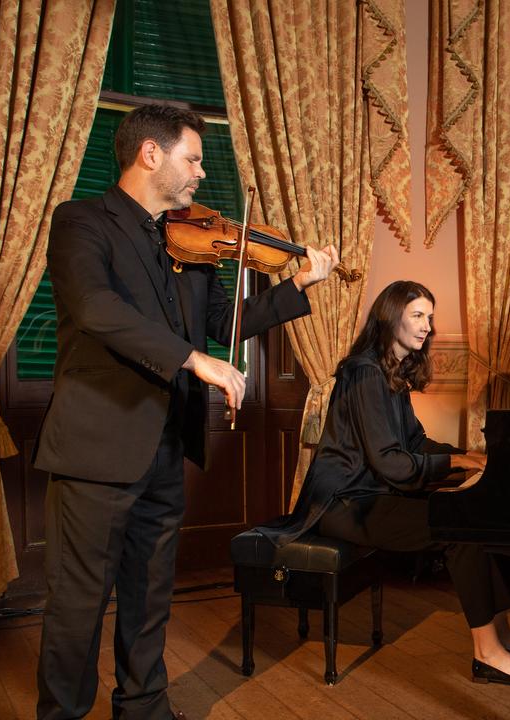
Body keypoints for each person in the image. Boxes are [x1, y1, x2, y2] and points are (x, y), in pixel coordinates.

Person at [33, 103, 340, 720]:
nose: (201, 173)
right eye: (193, 158)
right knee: (78, 604)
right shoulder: (80, 223)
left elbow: (223, 327)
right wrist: (190, 361)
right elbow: (95, 309)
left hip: (167, 447)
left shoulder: (192, 242)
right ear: (151, 154)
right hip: (96, 449)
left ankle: (145, 709)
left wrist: (295, 287)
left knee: (149, 597)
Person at [261, 280, 510, 685]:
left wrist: (471, 455)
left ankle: (501, 636)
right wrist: (459, 461)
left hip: (371, 495)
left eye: (429, 316)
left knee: (475, 516)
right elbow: (390, 463)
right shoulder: (363, 373)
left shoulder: (389, 373)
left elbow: (414, 442)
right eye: (417, 315)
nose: (427, 325)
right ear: (391, 317)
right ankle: (487, 653)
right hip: (344, 505)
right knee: (458, 527)